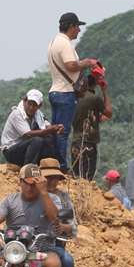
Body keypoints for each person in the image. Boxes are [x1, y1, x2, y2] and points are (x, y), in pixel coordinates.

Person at [48, 12, 98, 172]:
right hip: (65, 93)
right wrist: (88, 62)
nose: (79, 30)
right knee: (63, 132)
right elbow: (71, 65)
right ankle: (61, 165)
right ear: (71, 26)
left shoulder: (54, 42)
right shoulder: (65, 44)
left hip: (56, 90)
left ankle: (53, 162)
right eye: (77, 27)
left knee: (55, 131)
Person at [39, 158, 77, 267]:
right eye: (48, 177)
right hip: (27, 242)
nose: (52, 181)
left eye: (55, 177)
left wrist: (63, 227)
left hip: (51, 243)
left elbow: (72, 227)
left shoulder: (63, 199)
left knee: (67, 262)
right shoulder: (30, 194)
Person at [0, 89, 62, 166]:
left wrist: (57, 128)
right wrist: (49, 130)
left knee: (49, 138)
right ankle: (28, 168)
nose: (31, 107)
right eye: (29, 104)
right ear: (24, 101)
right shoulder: (17, 114)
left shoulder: (38, 114)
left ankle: (51, 166)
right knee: (37, 140)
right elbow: (28, 134)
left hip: (26, 149)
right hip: (11, 151)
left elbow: (47, 126)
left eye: (34, 105)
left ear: (39, 106)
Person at [70, 75, 113, 180]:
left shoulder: (74, 99)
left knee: (77, 176)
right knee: (87, 178)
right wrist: (104, 91)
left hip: (75, 142)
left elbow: (91, 117)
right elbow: (109, 113)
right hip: (88, 143)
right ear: (95, 85)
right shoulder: (94, 98)